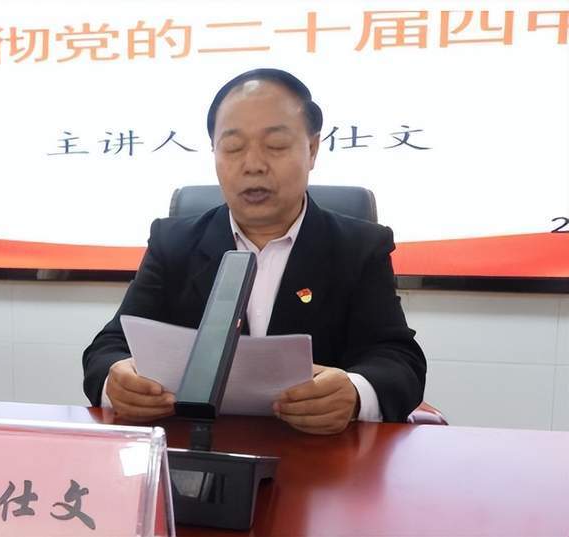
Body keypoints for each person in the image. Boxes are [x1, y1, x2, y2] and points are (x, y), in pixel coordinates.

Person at [83, 68, 426, 434]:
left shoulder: (358, 247)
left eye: (275, 145)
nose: (253, 165)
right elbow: (109, 347)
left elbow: (397, 360)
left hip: (317, 452)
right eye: (233, 148)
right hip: (195, 448)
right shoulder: (174, 243)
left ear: (311, 150)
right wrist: (117, 381)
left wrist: (355, 393)